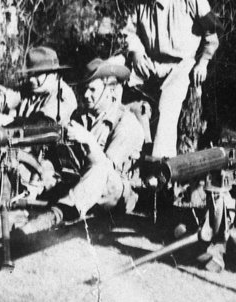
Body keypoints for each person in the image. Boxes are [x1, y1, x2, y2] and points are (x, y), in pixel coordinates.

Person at [13, 57, 145, 234]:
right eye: (84, 89)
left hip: (116, 195)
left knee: (99, 171)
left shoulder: (126, 123)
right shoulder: (81, 118)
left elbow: (106, 170)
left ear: (111, 90)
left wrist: (88, 140)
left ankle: (54, 217)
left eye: (92, 90)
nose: (85, 95)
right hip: (81, 187)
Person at [123, 0, 219, 158]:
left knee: (168, 102)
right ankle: (125, 148)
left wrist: (203, 62)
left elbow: (212, 37)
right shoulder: (141, 1)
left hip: (183, 65)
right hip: (151, 64)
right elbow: (129, 33)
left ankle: (161, 162)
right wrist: (136, 53)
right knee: (115, 77)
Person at [0, 46, 77, 127]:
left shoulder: (64, 96)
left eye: (37, 74)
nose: (31, 79)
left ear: (54, 74)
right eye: (30, 74)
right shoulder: (31, 88)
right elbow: (6, 96)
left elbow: (40, 125)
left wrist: (5, 120)